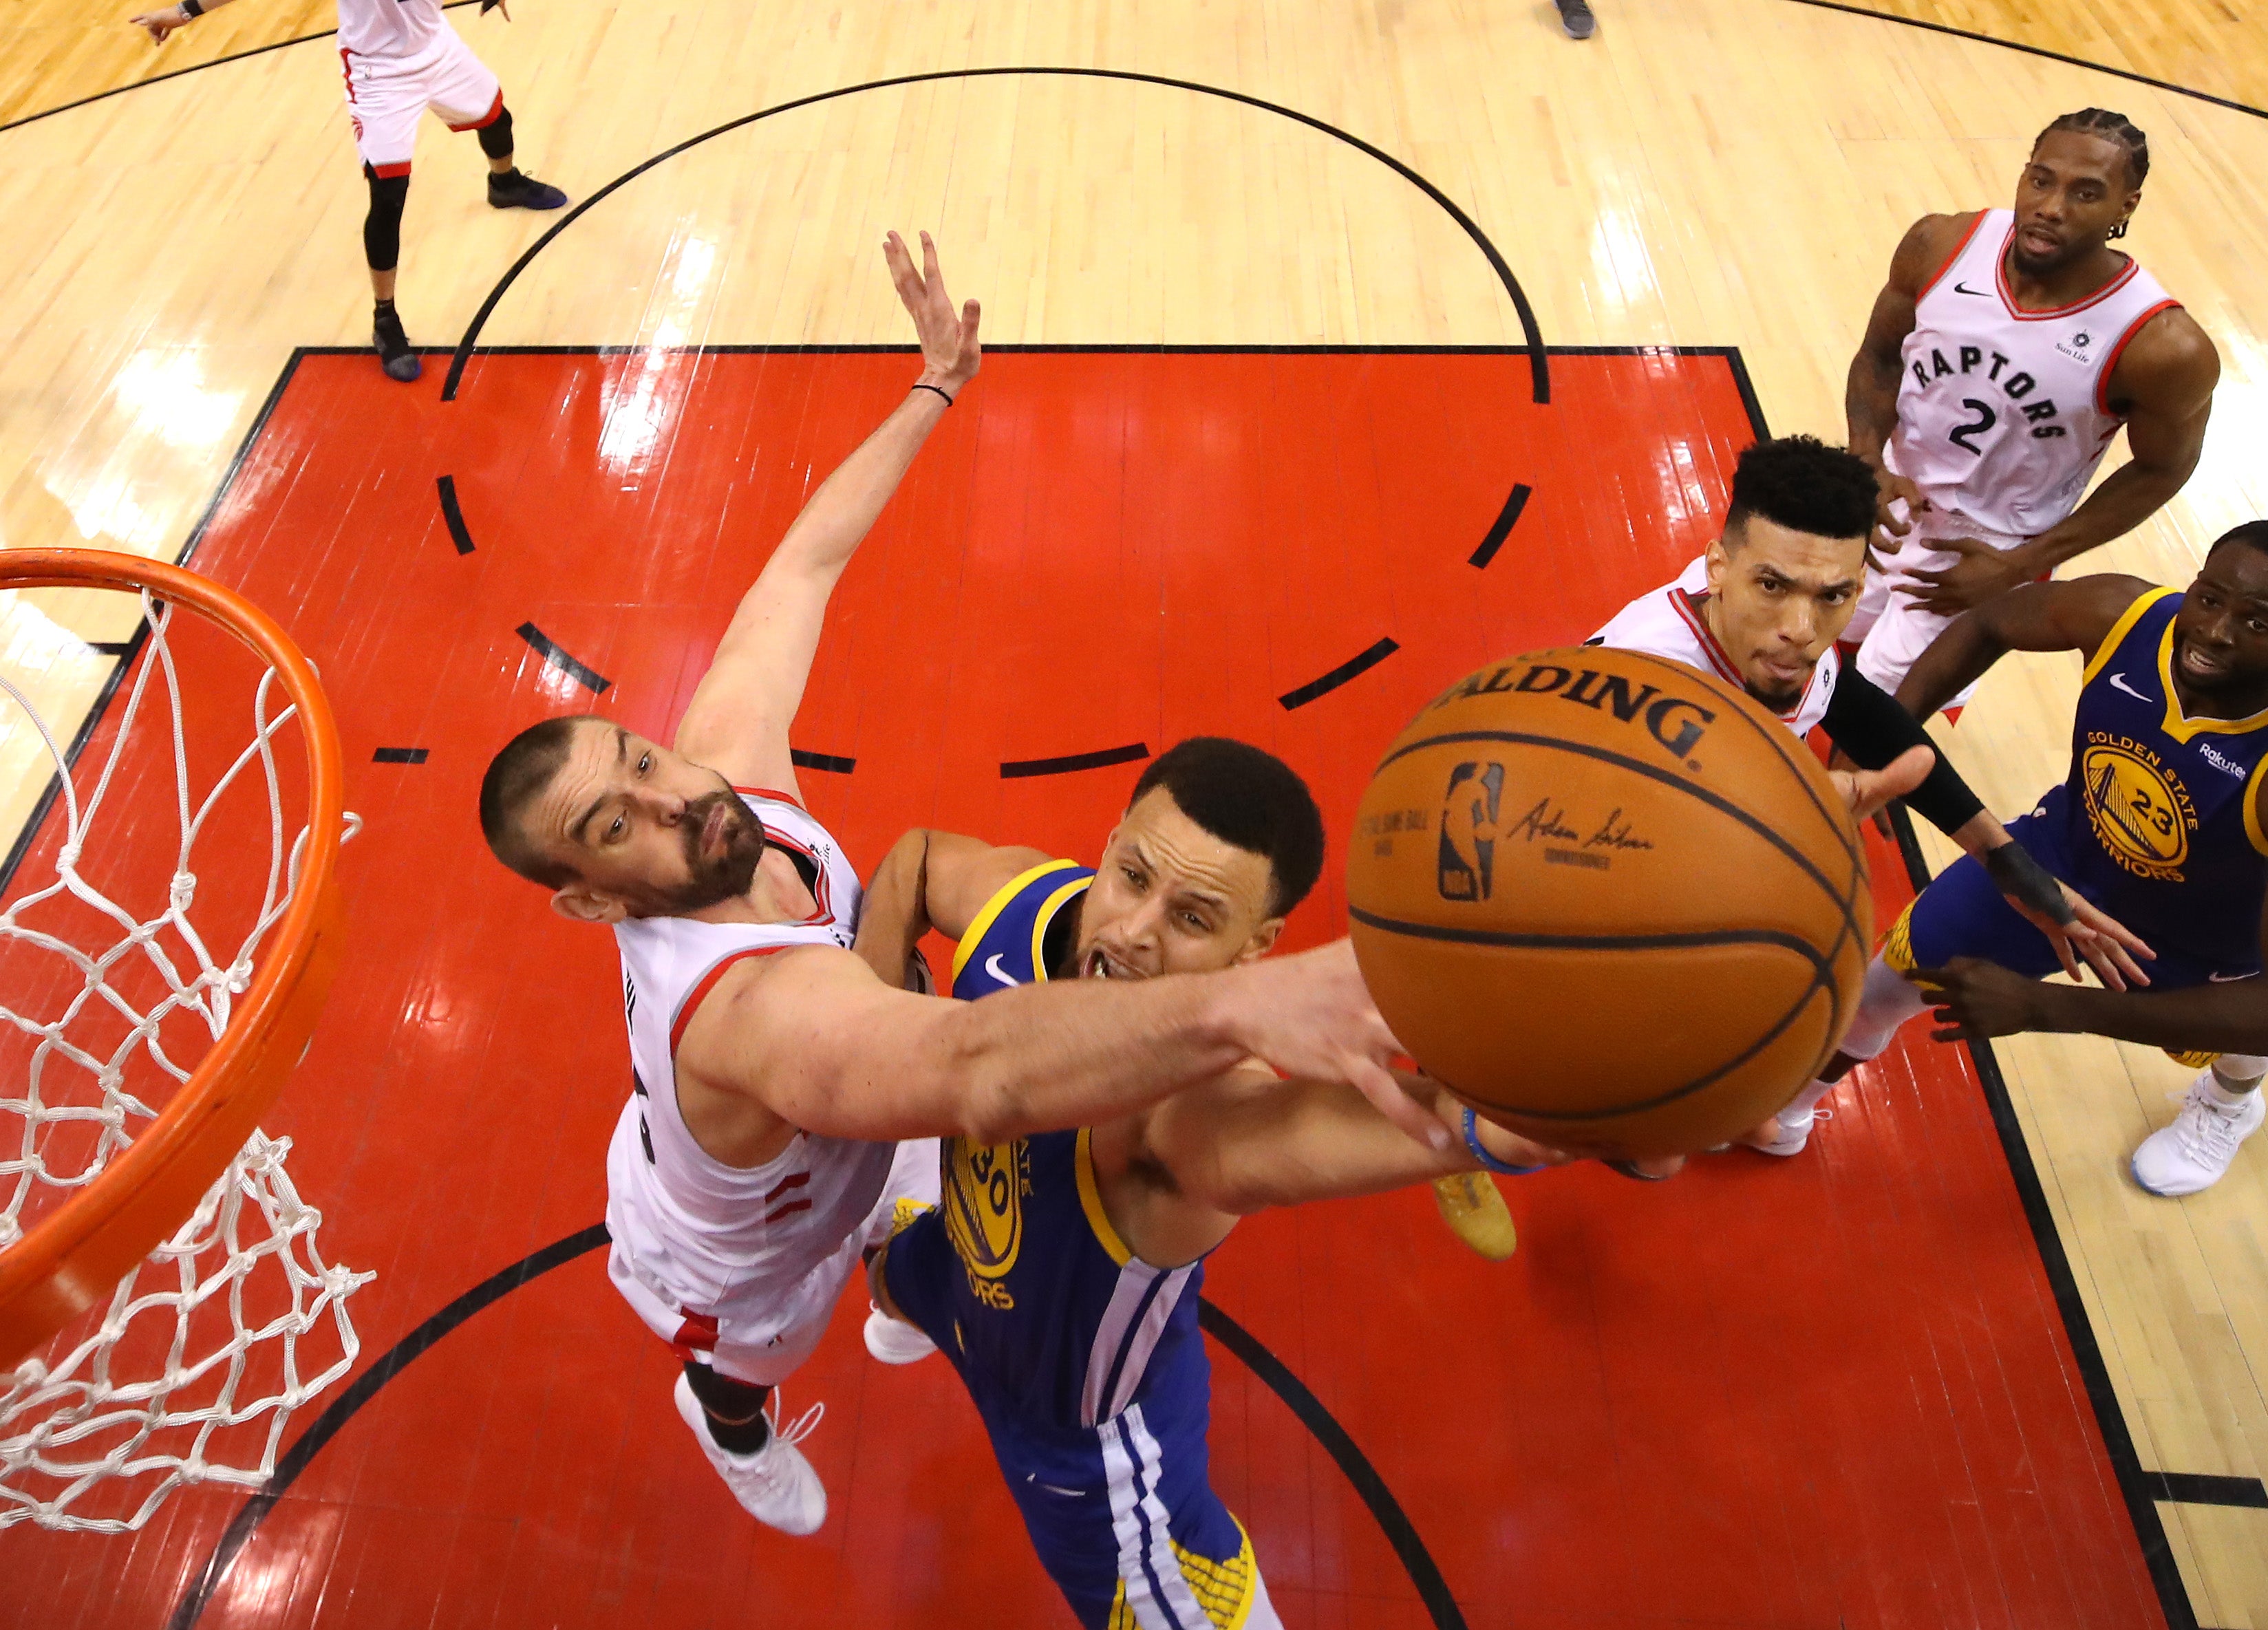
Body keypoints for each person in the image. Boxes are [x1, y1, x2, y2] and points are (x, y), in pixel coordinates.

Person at [474, 238, 1422, 1537]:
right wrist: (1248, 1007)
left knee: (914, 1183)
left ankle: (896, 1279)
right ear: (588, 897)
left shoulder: (722, 784)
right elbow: (977, 1061)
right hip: (738, 1244)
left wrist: (932, 386)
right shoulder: (752, 1016)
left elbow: (795, 570)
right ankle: (727, 1417)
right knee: (760, 1345)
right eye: (612, 823)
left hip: (822, 1120)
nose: (667, 798)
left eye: (640, 759)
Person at [852, 738, 1570, 1630]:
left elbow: (1292, 1140)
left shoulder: (1188, 1117)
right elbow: (914, 858)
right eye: (1132, 874)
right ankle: (893, 1300)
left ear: (1253, 950)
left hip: (1092, 1468)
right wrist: (874, 1009)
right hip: (960, 1277)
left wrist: (1519, 1116)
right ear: (1110, 841)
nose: (1133, 931)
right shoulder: (1024, 903)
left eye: (1193, 919)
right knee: (890, 1267)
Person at [1420, 434, 2148, 1235]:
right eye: (1773, 586)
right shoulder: (1639, 687)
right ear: (1716, 567)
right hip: (1538, 884)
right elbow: (1548, 849)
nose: (1802, 628)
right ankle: (1448, 1120)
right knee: (1611, 1132)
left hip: (1662, 868)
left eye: (1833, 595)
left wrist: (2001, 854)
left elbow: (1854, 705)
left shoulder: (1777, 644)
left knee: (1703, 1100)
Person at [1812, 520, 2268, 1196]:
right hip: (2062, 856)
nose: (2216, 630)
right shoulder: (2124, 614)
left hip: (2199, 934)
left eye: (2257, 622)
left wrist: (2048, 1006)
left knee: (2252, 1027)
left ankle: (2230, 1102)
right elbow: (1988, 622)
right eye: (2209, 597)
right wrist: (1893, 739)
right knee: (1883, 986)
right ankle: (1785, 1106)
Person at [1842, 109, 2221, 714]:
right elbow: (1880, 359)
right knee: (1787, 635)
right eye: (2041, 180)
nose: (2051, 206)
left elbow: (2162, 469)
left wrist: (2022, 565)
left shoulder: (2161, 346)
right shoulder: (1940, 244)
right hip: (1888, 492)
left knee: (1878, 713)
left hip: (1992, 541)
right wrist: (1864, 462)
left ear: (2127, 206)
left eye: (2086, 193)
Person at [131, 0, 568, 383]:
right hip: (378, 73)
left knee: (497, 118)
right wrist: (184, 11)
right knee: (389, 196)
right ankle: (385, 319)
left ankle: (504, 183)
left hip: (438, 48)